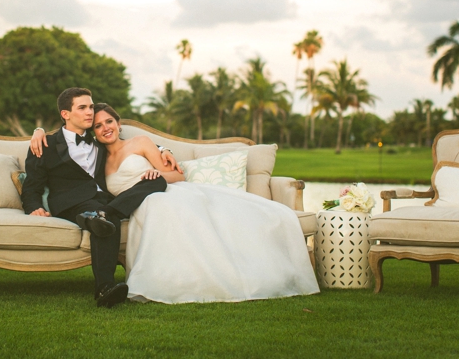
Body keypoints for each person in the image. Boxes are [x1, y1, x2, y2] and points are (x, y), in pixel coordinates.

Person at [91, 103, 320, 303]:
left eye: (109, 121)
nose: (105, 128)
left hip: (160, 193)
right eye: (98, 126)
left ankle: (107, 216)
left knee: (162, 204)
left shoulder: (140, 142)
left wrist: (156, 175)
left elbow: (177, 176)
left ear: (119, 123)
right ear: (93, 132)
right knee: (152, 209)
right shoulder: (96, 159)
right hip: (133, 206)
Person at [22, 87, 178, 308]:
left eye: (91, 107)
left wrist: (163, 149)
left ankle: (100, 215)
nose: (89, 112)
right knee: (106, 220)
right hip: (69, 202)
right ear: (65, 114)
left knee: (155, 181)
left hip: (105, 200)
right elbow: (32, 185)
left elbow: (127, 145)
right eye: (82, 107)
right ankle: (105, 288)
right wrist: (34, 207)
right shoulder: (45, 145)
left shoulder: (99, 141)